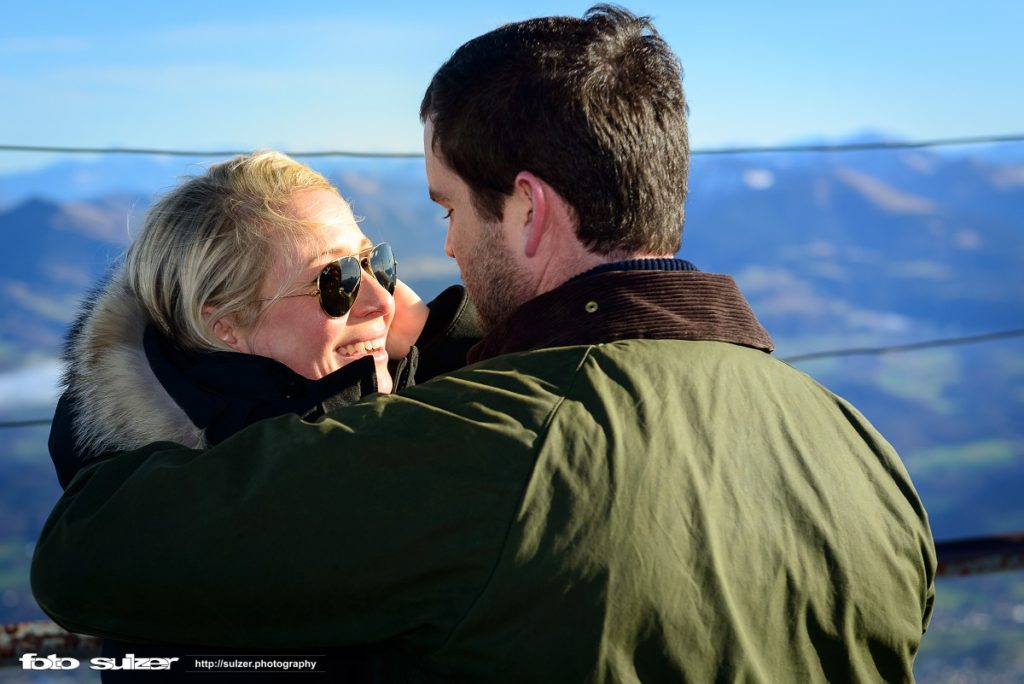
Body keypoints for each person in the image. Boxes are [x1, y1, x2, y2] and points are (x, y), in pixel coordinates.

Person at [32, 5, 936, 682]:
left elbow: (88, 555)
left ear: (531, 210)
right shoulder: (865, 456)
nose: (448, 252)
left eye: (447, 209)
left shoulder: (487, 454)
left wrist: (136, 365)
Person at [44, 150, 478, 679]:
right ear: (226, 323)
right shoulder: (186, 529)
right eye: (335, 280)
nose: (382, 303)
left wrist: (438, 338)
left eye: (374, 263)